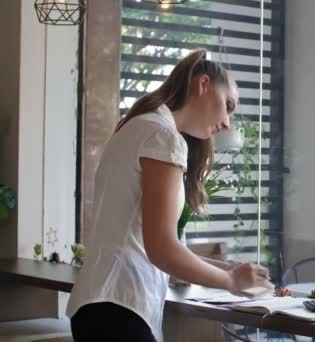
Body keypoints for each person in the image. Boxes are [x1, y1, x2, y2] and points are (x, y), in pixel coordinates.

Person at [66, 49, 272, 342]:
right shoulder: (162, 136)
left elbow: (152, 243)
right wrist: (229, 280)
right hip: (119, 307)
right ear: (202, 85)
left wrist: (231, 270)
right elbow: (162, 248)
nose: (227, 122)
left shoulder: (138, 126)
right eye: (227, 105)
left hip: (101, 306)